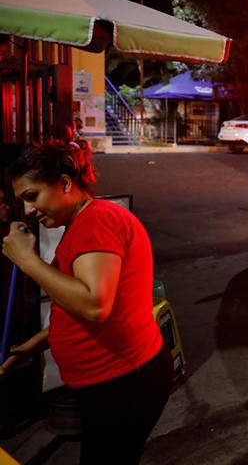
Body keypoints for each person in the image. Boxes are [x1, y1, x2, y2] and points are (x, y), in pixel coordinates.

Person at [0, 139, 172, 464]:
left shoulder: (98, 222)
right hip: (110, 384)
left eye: (32, 196)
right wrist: (33, 346)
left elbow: (94, 305)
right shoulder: (82, 224)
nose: (28, 210)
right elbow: (72, 305)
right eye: (22, 201)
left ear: (65, 183)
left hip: (123, 384)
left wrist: (27, 260)